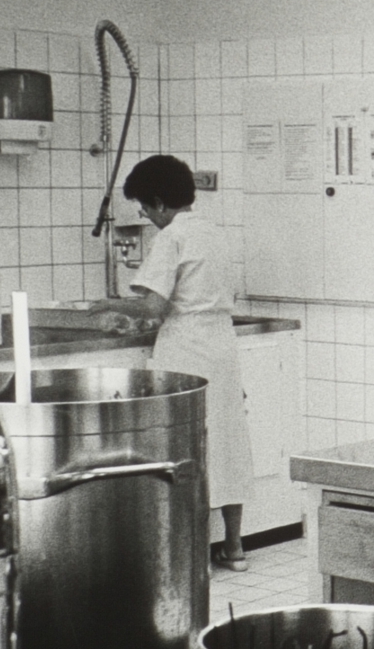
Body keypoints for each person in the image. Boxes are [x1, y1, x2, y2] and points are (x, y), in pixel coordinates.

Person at [91, 154, 257, 570]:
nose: (146, 216)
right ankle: (234, 547)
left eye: (145, 208)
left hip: (186, 348)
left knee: (186, 446)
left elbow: (153, 307)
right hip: (222, 346)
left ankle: (188, 553)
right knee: (229, 443)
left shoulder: (172, 237)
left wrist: (106, 307)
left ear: (161, 202)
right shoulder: (215, 232)